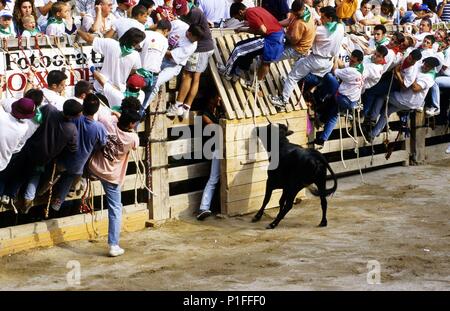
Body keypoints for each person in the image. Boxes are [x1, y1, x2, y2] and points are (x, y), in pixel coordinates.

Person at [88, 99, 141, 257]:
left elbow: (105, 117)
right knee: (115, 209)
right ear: (131, 124)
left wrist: (117, 115)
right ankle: (113, 245)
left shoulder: (108, 122)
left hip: (94, 168)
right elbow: (133, 139)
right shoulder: (133, 139)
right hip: (112, 175)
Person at [270, 6, 344, 109]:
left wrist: (314, 25)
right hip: (328, 63)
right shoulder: (341, 27)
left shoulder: (320, 30)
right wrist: (319, 22)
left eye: (323, 17)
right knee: (300, 62)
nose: (321, 19)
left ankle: (284, 100)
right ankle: (288, 85)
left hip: (316, 60)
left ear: (330, 18)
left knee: (293, 77)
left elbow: (306, 34)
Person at [51, 94, 108, 211]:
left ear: (83, 106)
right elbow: (103, 143)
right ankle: (58, 202)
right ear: (97, 110)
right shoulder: (99, 128)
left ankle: (41, 193)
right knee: (68, 180)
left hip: (62, 158)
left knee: (53, 177)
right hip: (78, 165)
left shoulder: (74, 118)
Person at [217, 2, 285, 89]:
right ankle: (244, 76)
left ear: (241, 12)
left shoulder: (249, 13)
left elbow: (263, 30)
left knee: (239, 48)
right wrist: (242, 29)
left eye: (237, 17)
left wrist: (244, 30)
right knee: (262, 60)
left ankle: (227, 73)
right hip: (279, 38)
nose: (239, 20)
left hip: (271, 40)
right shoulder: (257, 9)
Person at [369, 56, 440, 139]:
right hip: (408, 100)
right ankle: (373, 134)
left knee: (381, 94)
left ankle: (373, 117)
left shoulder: (429, 78)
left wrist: (408, 77)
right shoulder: (419, 67)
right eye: (425, 64)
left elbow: (416, 88)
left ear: (432, 68)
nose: (424, 67)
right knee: (387, 111)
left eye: (427, 66)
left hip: (407, 100)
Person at [143, 20, 204, 112]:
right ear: (190, 33)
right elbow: (162, 26)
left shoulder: (192, 46)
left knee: (155, 83)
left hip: (173, 65)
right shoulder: (179, 25)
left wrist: (159, 47)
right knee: (145, 76)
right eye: (195, 39)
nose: (195, 42)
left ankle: (142, 108)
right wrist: (145, 28)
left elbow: (171, 55)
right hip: (160, 56)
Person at [169, 0, 215, 119]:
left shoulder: (194, 13)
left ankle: (180, 105)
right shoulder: (193, 11)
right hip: (205, 47)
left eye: (183, 11)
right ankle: (185, 106)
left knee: (188, 76)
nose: (182, 14)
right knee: (194, 77)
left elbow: (189, 34)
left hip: (201, 48)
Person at [77, 27, 145, 93]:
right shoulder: (136, 55)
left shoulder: (111, 44)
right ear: (135, 42)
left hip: (100, 88)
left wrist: (78, 30)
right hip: (118, 92)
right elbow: (134, 71)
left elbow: (88, 38)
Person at [196, 88, 223, 220]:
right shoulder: (205, 115)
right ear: (211, 99)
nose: (220, 99)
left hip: (224, 146)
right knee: (214, 178)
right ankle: (203, 208)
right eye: (217, 97)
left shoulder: (221, 110)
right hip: (216, 148)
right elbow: (216, 129)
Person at [139, 19, 171, 111]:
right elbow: (161, 57)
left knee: (133, 102)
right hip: (154, 75)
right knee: (142, 105)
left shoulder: (145, 34)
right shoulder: (165, 41)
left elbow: (138, 48)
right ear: (165, 30)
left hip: (141, 72)